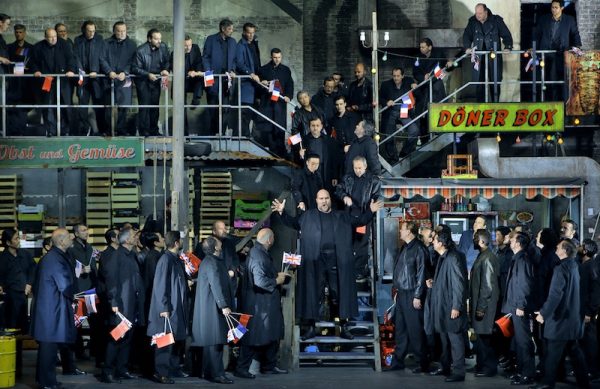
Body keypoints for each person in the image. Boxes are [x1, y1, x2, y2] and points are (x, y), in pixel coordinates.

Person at [272, 190, 383, 341]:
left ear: (330, 199)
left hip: (336, 260)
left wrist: (371, 211)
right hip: (315, 260)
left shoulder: (342, 216)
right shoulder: (308, 216)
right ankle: (311, 328)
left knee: (338, 292)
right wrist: (282, 212)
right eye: (321, 199)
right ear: (316, 200)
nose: (324, 201)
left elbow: (360, 221)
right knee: (313, 292)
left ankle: (343, 326)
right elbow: (293, 223)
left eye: (326, 198)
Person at [533, 239, 590, 389]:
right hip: (572, 319)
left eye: (558, 247)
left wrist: (543, 313)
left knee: (552, 354)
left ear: (564, 250)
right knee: (575, 352)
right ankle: (584, 382)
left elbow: (555, 295)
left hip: (560, 321)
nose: (556, 249)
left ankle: (547, 383)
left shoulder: (560, 269)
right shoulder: (574, 266)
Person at [234, 228, 288, 379]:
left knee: (272, 333)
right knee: (252, 336)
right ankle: (242, 368)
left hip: (265, 303)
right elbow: (259, 281)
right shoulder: (257, 255)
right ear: (269, 240)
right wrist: (276, 280)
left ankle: (269, 365)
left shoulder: (259, 252)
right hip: (259, 304)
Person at [31, 228, 77, 389]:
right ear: (62, 241)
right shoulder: (55, 259)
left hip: (49, 308)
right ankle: (47, 383)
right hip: (51, 310)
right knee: (49, 349)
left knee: (48, 347)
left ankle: (45, 380)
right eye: (69, 237)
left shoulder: (53, 257)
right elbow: (64, 284)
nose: (72, 239)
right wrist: (75, 295)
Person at [101, 227, 146, 383]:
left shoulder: (132, 255)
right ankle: (107, 371)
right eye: (134, 236)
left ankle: (121, 368)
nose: (136, 238)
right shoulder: (116, 256)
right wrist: (113, 301)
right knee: (117, 337)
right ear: (127, 239)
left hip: (132, 303)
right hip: (121, 304)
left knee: (127, 338)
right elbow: (111, 280)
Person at [147, 231, 189, 384]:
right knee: (164, 340)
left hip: (176, 306)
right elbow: (161, 285)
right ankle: (161, 372)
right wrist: (164, 306)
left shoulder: (175, 259)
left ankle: (172, 369)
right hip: (168, 308)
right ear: (176, 243)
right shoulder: (166, 259)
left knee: (175, 338)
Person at [388, 221, 430, 373]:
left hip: (412, 293)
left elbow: (421, 274)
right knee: (401, 329)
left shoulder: (419, 249)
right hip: (402, 293)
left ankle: (422, 362)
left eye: (402, 229)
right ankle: (398, 361)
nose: (400, 231)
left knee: (415, 330)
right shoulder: (405, 247)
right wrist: (396, 291)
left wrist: (418, 295)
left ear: (410, 231)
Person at [191, 237, 234, 384]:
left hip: (211, 306)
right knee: (215, 341)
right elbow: (215, 284)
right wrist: (223, 305)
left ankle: (207, 372)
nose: (220, 243)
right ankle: (217, 374)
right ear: (215, 247)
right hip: (212, 307)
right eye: (218, 242)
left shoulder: (210, 262)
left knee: (212, 341)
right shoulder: (211, 263)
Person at [429, 229, 468, 382]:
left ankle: (459, 372)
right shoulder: (443, 258)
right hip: (443, 307)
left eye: (434, 240)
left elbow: (459, 284)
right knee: (446, 339)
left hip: (450, 307)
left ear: (441, 243)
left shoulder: (452, 258)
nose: (432, 242)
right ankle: (445, 367)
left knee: (455, 339)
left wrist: (456, 306)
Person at [335, 156, 381, 280]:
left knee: (361, 244)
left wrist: (372, 205)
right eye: (355, 168)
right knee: (347, 242)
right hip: (349, 215)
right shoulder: (348, 178)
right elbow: (338, 189)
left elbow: (377, 195)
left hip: (364, 216)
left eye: (360, 168)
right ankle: (348, 268)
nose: (357, 170)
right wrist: (344, 196)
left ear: (365, 167)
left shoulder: (373, 180)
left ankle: (360, 271)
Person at [502, 231, 536, 386]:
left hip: (519, 307)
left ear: (518, 243)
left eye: (512, 239)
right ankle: (521, 371)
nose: (509, 241)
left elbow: (524, 284)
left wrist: (521, 305)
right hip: (515, 306)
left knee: (523, 342)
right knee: (519, 341)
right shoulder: (518, 258)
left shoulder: (523, 260)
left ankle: (527, 374)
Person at [29, 28, 76, 136]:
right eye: (50, 37)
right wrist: (36, 71)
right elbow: (33, 62)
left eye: (55, 36)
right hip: (47, 80)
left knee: (65, 106)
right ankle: (50, 130)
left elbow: (71, 59)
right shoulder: (38, 47)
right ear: (45, 37)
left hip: (63, 81)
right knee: (48, 106)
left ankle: (65, 131)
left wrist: (71, 70)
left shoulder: (64, 44)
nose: (53, 39)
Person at [463, 3, 513, 102]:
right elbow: (466, 36)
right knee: (479, 82)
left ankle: (495, 104)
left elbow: (506, 35)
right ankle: (480, 106)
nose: (477, 15)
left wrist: (508, 47)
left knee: (495, 81)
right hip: (478, 57)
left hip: (493, 56)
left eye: (480, 13)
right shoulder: (472, 21)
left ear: (486, 12)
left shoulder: (496, 20)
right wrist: (467, 47)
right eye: (476, 13)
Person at [533, 0, 582, 101]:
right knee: (546, 79)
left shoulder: (569, 20)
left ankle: (562, 103)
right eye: (552, 7)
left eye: (556, 7)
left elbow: (575, 34)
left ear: (562, 8)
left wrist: (577, 46)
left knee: (561, 79)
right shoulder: (544, 19)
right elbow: (536, 34)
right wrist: (532, 47)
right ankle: (548, 102)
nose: (553, 10)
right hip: (546, 54)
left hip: (561, 53)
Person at [67, 224, 100, 361]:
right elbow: (67, 268)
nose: (86, 232)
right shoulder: (71, 248)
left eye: (87, 230)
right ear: (75, 233)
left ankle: (94, 351)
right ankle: (78, 352)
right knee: (78, 323)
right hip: (79, 290)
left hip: (91, 289)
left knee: (94, 323)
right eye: (83, 230)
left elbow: (95, 262)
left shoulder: (91, 247)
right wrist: (80, 271)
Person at [469, 229, 500, 377]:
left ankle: (489, 368)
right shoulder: (483, 256)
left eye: (476, 238)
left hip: (485, 306)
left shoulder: (487, 258)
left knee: (486, 339)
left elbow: (487, 286)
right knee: (481, 338)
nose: (473, 240)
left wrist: (481, 307)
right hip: (482, 304)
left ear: (482, 241)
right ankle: (481, 365)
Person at [255, 48, 293, 156]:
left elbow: (290, 84)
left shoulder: (286, 70)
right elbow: (257, 88)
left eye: (279, 57)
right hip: (267, 103)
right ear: (271, 57)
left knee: (280, 126)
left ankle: (281, 152)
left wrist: (288, 97)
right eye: (275, 57)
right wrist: (262, 83)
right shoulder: (263, 70)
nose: (277, 60)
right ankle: (271, 152)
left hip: (280, 103)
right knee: (268, 127)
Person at [132, 28, 170, 136]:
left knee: (155, 107)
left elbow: (167, 61)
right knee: (144, 107)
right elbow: (135, 68)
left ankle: (154, 130)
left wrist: (166, 69)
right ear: (149, 39)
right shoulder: (140, 50)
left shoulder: (163, 47)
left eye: (160, 39)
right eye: (156, 39)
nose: (159, 41)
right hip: (144, 82)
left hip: (156, 81)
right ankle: (144, 132)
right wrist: (147, 74)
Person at [73, 20, 109, 135]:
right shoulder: (78, 40)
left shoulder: (100, 40)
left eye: (93, 31)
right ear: (84, 30)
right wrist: (80, 70)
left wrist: (96, 71)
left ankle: (102, 130)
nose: (92, 33)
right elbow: (76, 57)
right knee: (82, 105)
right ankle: (85, 130)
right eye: (89, 31)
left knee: (99, 105)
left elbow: (102, 57)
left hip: (96, 77)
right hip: (83, 77)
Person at [202, 19, 237, 135]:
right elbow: (205, 57)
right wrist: (208, 73)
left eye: (232, 29)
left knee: (226, 107)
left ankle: (222, 132)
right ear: (222, 29)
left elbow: (234, 60)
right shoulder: (211, 39)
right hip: (213, 78)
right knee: (213, 106)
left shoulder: (232, 42)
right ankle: (212, 133)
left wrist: (232, 70)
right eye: (229, 29)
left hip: (227, 79)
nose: (231, 31)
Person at [104, 21, 137, 136]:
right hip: (108, 79)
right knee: (108, 106)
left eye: (124, 30)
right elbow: (101, 59)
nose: (121, 33)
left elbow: (133, 61)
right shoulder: (106, 43)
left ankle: (122, 130)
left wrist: (125, 72)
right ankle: (109, 130)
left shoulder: (132, 44)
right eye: (119, 31)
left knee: (124, 106)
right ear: (114, 31)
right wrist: (109, 71)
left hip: (125, 79)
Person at [379, 67, 421, 158]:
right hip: (391, 111)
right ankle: (393, 157)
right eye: (394, 76)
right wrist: (386, 102)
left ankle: (405, 152)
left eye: (398, 76)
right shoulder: (386, 85)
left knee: (414, 130)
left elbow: (418, 95)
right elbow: (379, 98)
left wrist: (414, 86)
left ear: (403, 76)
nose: (396, 78)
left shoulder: (408, 81)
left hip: (404, 110)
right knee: (389, 136)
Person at [0, 228, 36, 331]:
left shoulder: (25, 254)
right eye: (16, 239)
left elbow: (33, 269)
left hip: (24, 295)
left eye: (18, 238)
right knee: (12, 324)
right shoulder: (2, 258)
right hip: (10, 297)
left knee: (24, 324)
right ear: (8, 242)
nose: (18, 241)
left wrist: (29, 283)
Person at [299, 117, 341, 193]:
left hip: (325, 172)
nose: (315, 128)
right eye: (313, 125)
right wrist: (301, 156)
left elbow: (334, 159)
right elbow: (299, 162)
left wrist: (335, 176)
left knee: (326, 194)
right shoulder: (303, 140)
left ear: (321, 126)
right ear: (309, 127)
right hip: (311, 172)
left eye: (317, 125)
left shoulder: (329, 140)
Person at [6, 23, 34, 135]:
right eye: (16, 32)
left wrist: (29, 68)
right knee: (11, 106)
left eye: (20, 32)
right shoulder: (9, 48)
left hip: (25, 82)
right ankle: (12, 131)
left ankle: (22, 130)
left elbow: (34, 63)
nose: (18, 34)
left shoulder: (31, 48)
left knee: (23, 107)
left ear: (25, 33)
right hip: (13, 82)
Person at [234, 23, 260, 137]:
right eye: (249, 33)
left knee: (254, 112)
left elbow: (257, 62)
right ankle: (244, 137)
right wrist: (250, 73)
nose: (251, 35)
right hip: (246, 84)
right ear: (244, 32)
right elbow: (239, 64)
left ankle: (252, 137)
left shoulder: (254, 44)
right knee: (245, 113)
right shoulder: (240, 45)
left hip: (255, 84)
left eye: (253, 33)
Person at [579, 239, 600, 380]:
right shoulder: (586, 265)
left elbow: (595, 292)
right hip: (583, 310)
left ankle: (593, 371)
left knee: (590, 342)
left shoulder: (590, 266)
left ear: (585, 250)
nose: (578, 247)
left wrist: (589, 312)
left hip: (587, 312)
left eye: (581, 246)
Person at [413, 38, 449, 108]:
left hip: (436, 84)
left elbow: (446, 66)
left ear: (430, 47)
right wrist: (424, 77)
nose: (421, 49)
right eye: (420, 47)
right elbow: (415, 73)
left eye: (423, 47)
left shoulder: (438, 54)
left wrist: (449, 63)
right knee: (423, 107)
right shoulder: (417, 58)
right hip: (423, 86)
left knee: (438, 105)